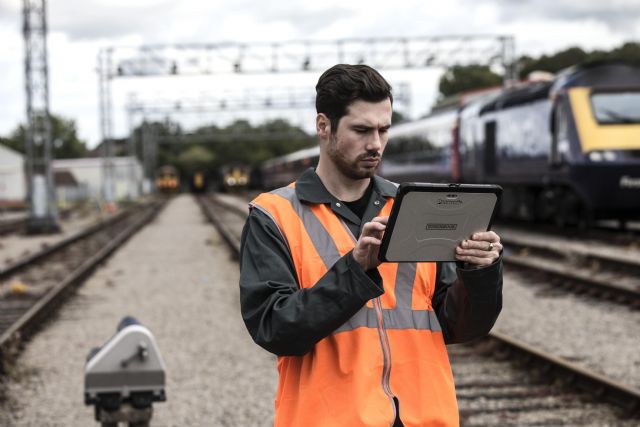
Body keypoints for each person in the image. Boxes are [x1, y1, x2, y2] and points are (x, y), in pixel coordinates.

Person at [239, 64, 503, 427]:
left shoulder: (411, 206)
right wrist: (356, 269)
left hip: (423, 418)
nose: (375, 144)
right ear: (323, 126)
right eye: (361, 130)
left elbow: (457, 325)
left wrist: (479, 273)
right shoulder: (274, 215)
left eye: (383, 129)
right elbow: (274, 327)